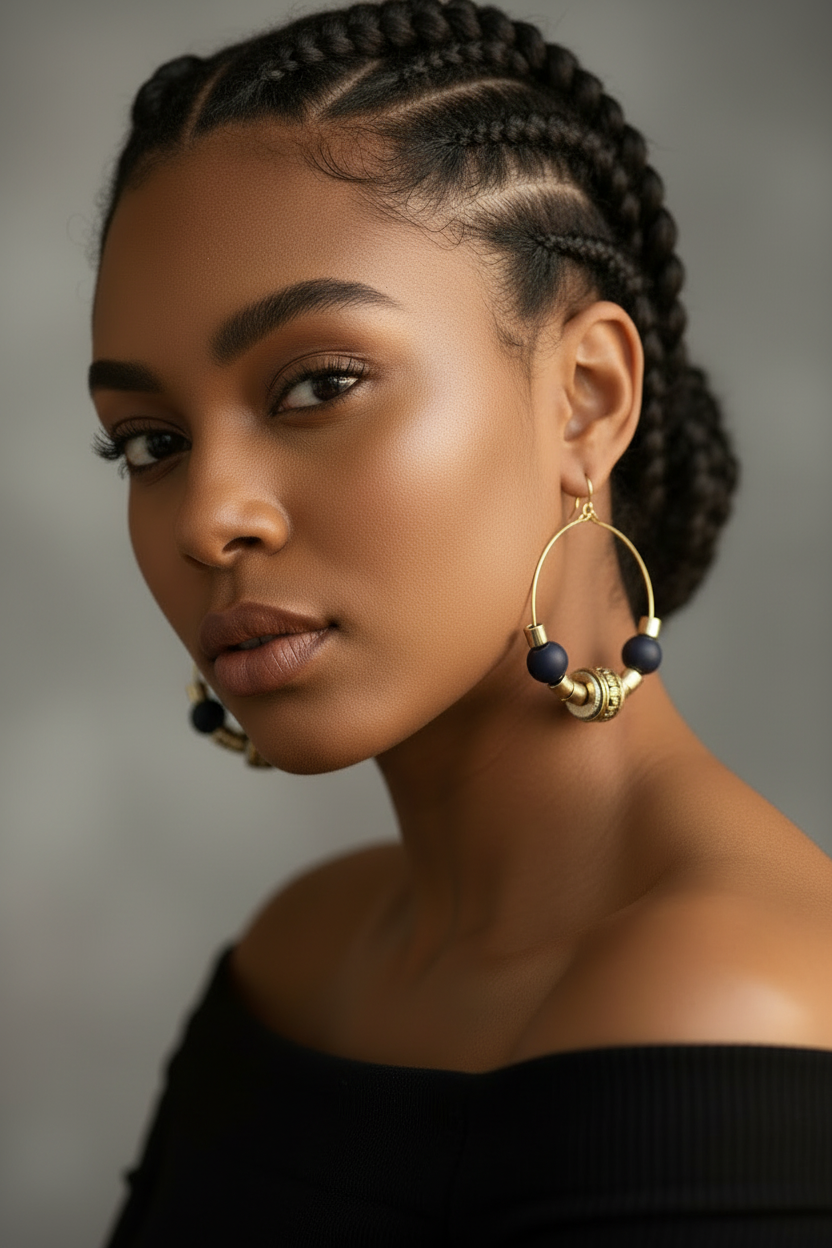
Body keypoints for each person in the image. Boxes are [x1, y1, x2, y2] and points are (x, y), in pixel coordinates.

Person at [89, 0, 832, 1241]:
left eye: (319, 384)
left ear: (585, 400)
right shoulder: (293, 958)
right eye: (151, 442)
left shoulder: (731, 1003)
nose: (206, 517)